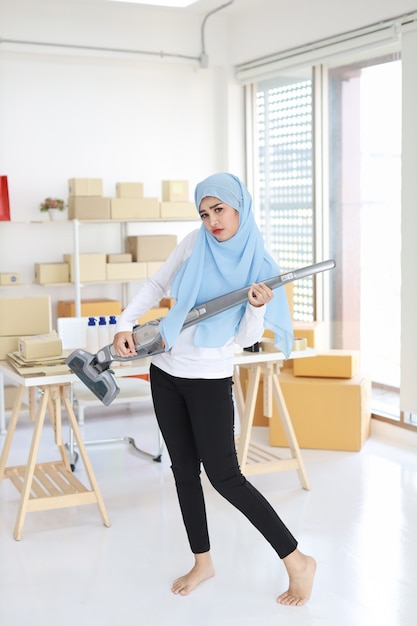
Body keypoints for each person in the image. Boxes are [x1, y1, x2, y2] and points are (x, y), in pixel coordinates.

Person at [113, 172, 316, 606]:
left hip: (208, 379)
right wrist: (124, 323)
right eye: (204, 213)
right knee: (183, 470)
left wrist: (258, 310)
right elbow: (156, 284)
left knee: (225, 477)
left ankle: (297, 560)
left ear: (238, 205)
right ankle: (202, 561)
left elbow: (243, 341)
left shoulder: (260, 266)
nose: (211, 221)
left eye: (218, 210)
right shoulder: (194, 243)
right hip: (165, 370)